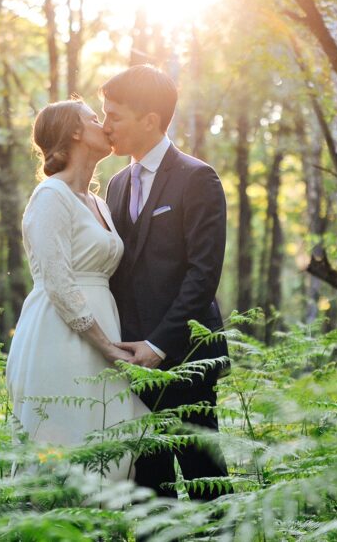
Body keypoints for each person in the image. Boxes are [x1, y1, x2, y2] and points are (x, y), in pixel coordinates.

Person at [101, 64, 231, 500]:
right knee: (149, 487)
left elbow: (203, 274)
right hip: (132, 363)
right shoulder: (116, 185)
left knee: (203, 477)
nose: (106, 126)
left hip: (187, 355)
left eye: (114, 116)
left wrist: (158, 345)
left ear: (150, 120)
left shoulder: (198, 178)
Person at [5, 98, 148, 482]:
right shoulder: (50, 195)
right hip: (60, 335)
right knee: (66, 443)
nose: (104, 124)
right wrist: (104, 345)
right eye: (94, 118)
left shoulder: (99, 202)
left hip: (106, 331)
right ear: (74, 132)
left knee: (109, 440)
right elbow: (57, 280)